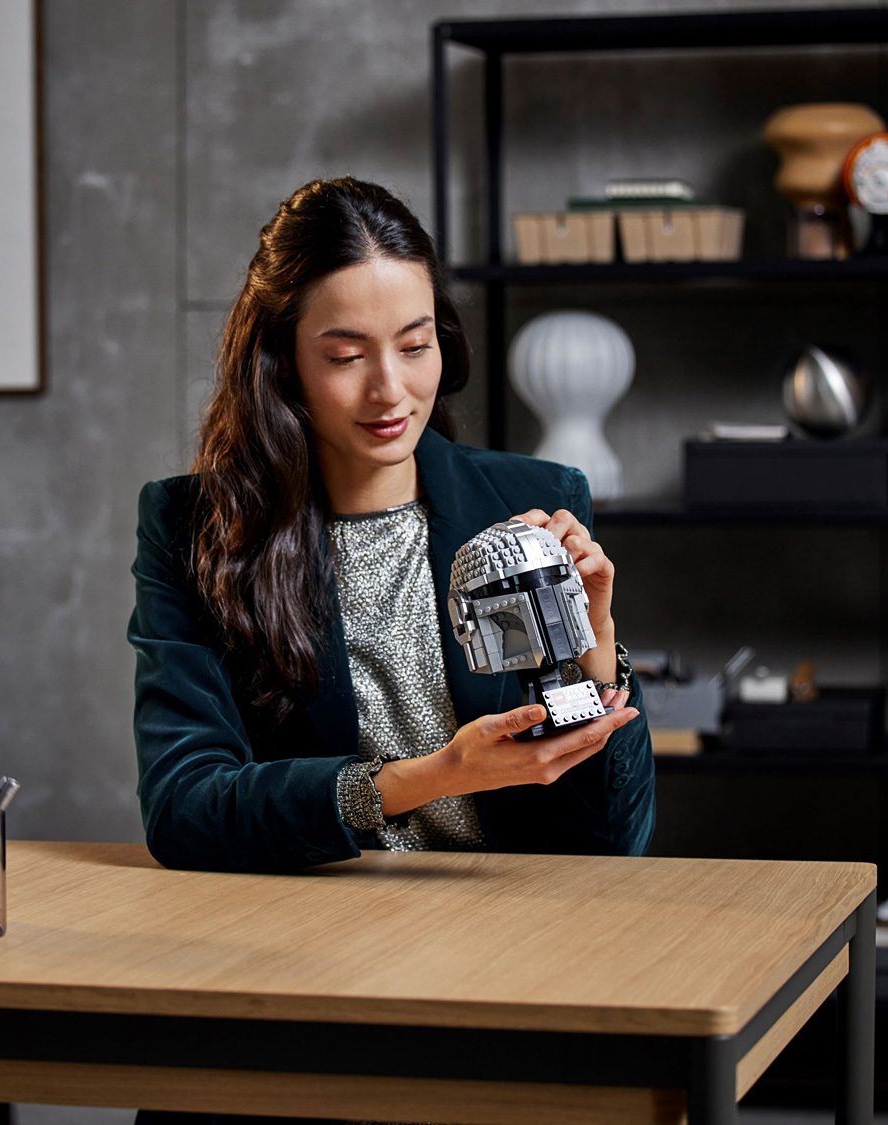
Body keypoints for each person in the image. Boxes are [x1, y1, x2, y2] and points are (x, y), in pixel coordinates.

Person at [129, 175, 653, 1122]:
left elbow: (610, 843)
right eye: (345, 355)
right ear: (282, 363)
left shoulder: (530, 500)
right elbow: (185, 807)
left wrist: (599, 659)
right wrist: (427, 777)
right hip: (291, 967)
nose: (390, 390)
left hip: (507, 967)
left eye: (415, 348)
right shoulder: (195, 529)